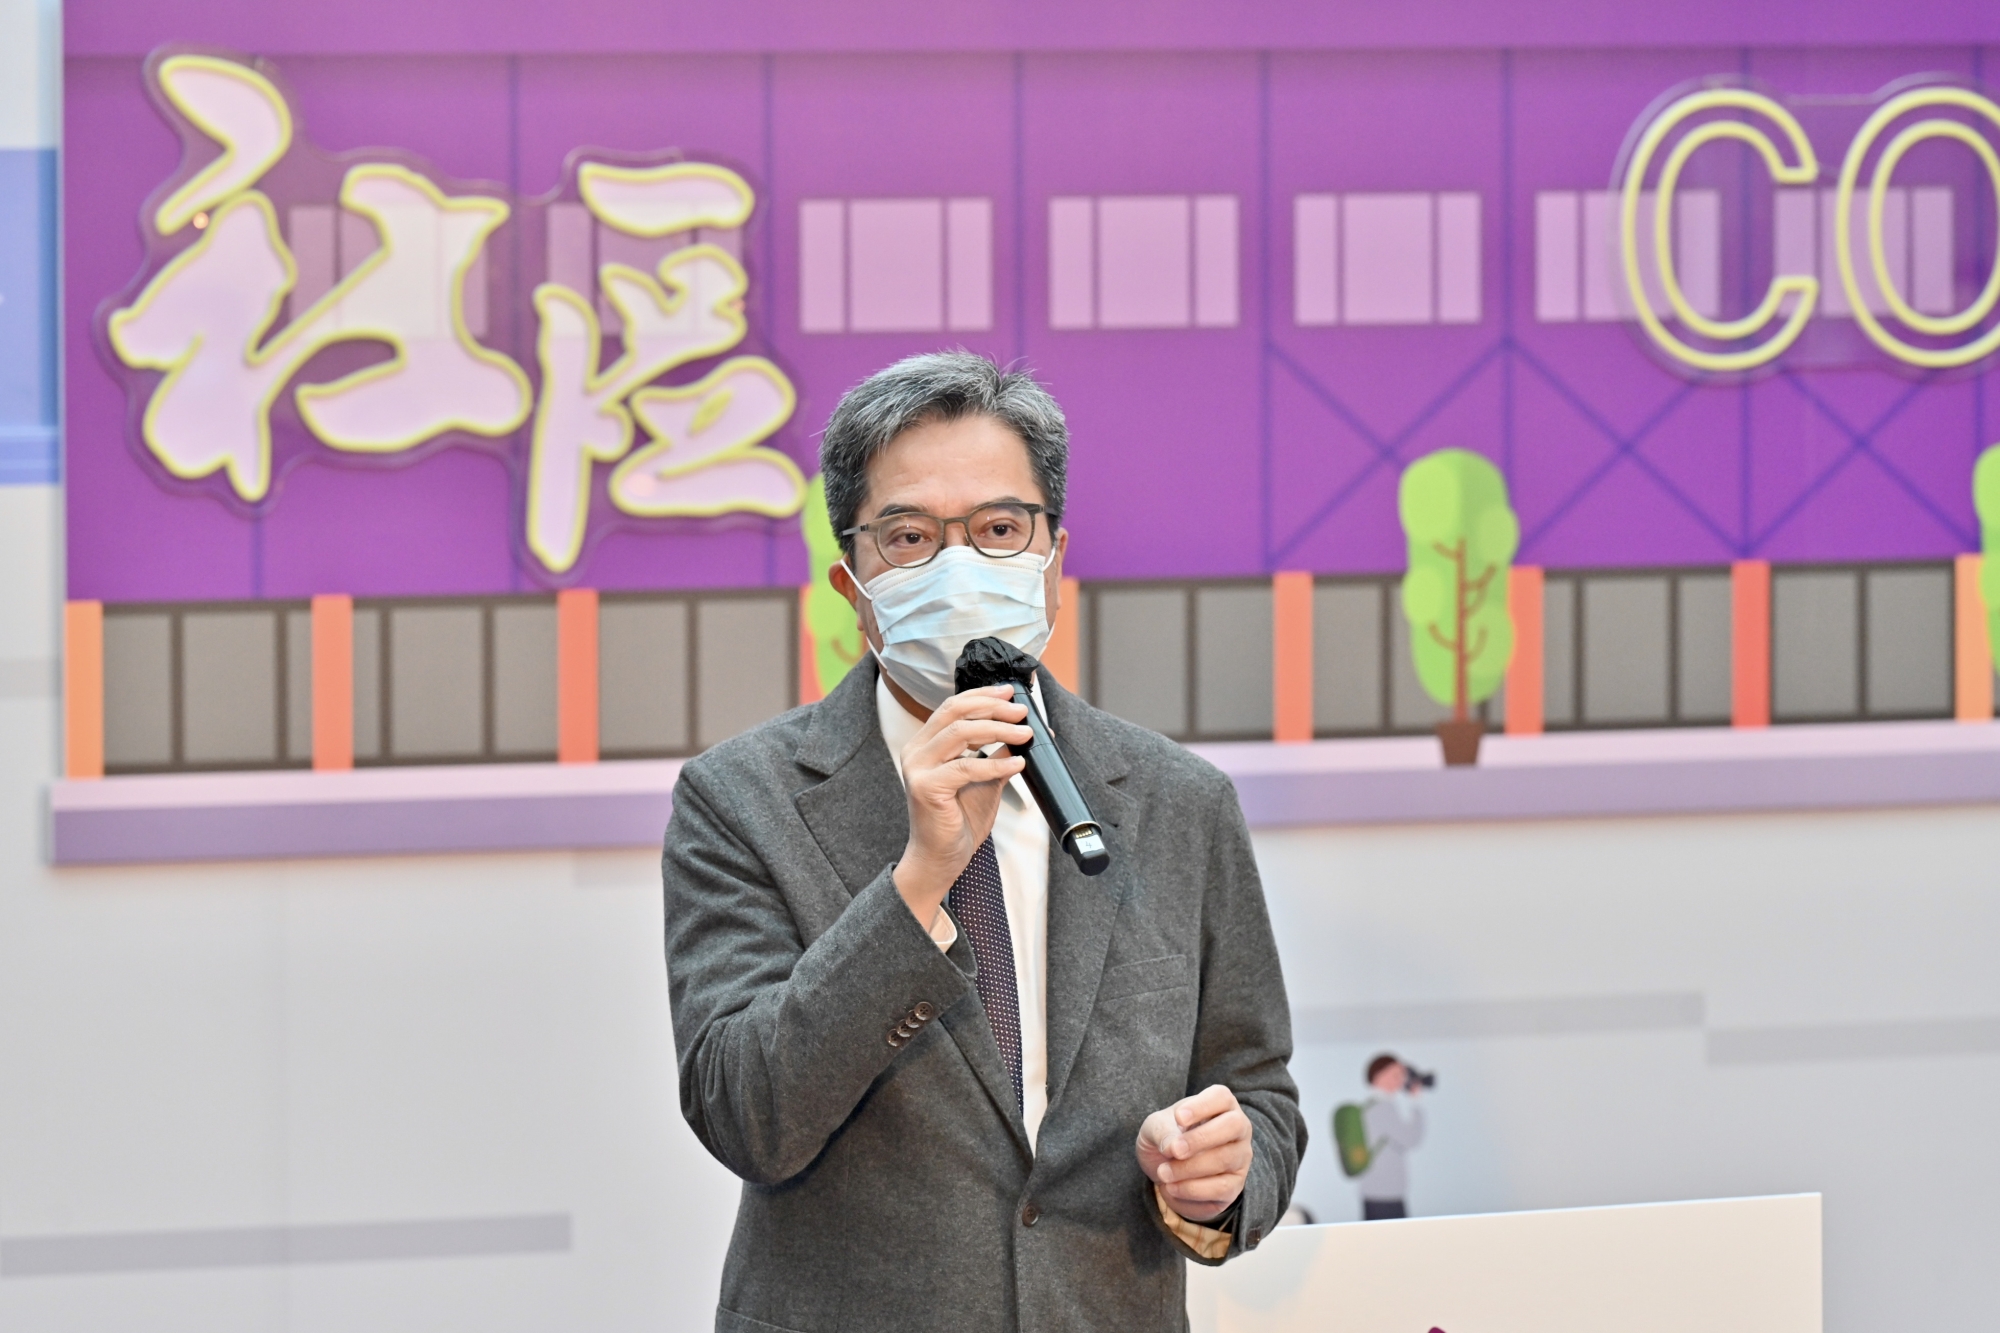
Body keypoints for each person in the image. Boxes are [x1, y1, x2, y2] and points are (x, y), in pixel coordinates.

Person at [662, 351, 1305, 1332]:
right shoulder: (741, 801)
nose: (960, 566)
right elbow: (750, 1114)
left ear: (1051, 557)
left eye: (1000, 529)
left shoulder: (1179, 802)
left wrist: (1219, 1179)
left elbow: (1256, 1091)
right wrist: (918, 877)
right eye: (911, 536)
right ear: (852, 580)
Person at [1355, 1052, 1426, 1220]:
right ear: (1379, 1076)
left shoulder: (1371, 1106)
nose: (1401, 1080)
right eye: (1396, 1074)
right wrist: (1416, 1103)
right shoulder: (1382, 1108)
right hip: (1385, 1192)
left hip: (1377, 1189)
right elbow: (1410, 1139)